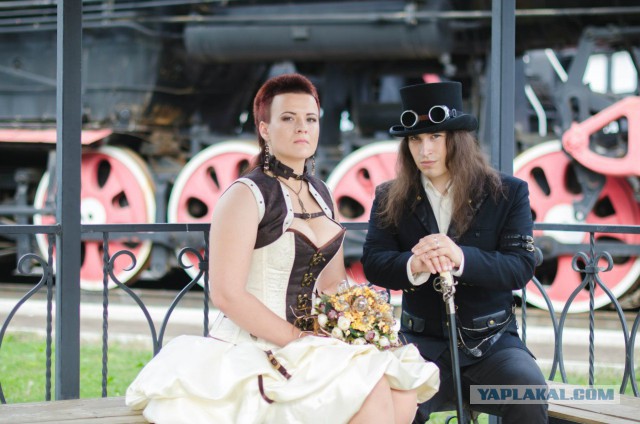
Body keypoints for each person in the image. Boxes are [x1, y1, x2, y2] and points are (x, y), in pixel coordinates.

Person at [126, 73, 440, 424]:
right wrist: (299, 339)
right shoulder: (246, 195)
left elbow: (332, 285)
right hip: (257, 346)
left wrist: (357, 326)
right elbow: (227, 294)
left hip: (312, 341)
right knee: (373, 390)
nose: (301, 128)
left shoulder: (320, 192)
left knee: (403, 388)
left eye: (310, 119)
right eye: (288, 118)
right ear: (264, 128)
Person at [361, 81, 548, 424]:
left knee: (528, 393)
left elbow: (520, 267)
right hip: (420, 345)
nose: (424, 149)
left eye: (435, 137)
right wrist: (414, 263)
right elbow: (374, 262)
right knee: (389, 400)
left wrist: (459, 257)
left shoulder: (508, 192)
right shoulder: (390, 196)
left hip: (492, 346)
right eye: (415, 139)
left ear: (457, 140)